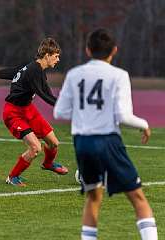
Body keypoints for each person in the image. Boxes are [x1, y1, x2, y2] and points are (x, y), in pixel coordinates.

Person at [54, 29, 157, 240]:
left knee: (93, 197)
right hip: (107, 141)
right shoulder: (119, 75)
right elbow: (123, 116)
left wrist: (86, 115)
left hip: (82, 143)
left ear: (87, 50)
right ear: (114, 51)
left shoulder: (74, 74)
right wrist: (144, 124)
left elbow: (60, 112)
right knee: (138, 197)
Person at [0, 37, 68, 187]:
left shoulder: (36, 68)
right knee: (35, 148)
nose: (58, 59)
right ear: (47, 55)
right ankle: (12, 177)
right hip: (13, 113)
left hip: (28, 109)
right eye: (56, 56)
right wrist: (65, 107)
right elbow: (44, 95)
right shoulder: (35, 70)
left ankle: (48, 164)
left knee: (53, 143)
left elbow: (14, 71)